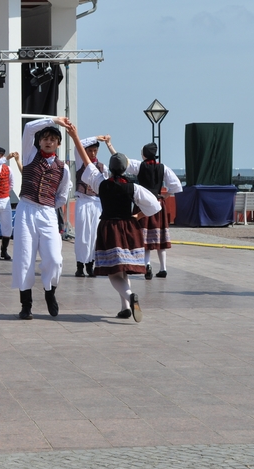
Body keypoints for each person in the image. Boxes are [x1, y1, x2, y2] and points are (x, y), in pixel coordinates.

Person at [68, 124, 161, 322]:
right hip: (129, 228)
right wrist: (137, 217)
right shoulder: (133, 187)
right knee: (123, 268)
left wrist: (75, 135)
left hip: (110, 227)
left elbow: (85, 160)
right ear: (125, 168)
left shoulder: (100, 183)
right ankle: (125, 307)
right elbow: (155, 205)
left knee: (114, 273)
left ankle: (129, 296)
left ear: (110, 168)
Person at [11, 116, 72, 319]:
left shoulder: (63, 169)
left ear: (58, 144)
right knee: (24, 257)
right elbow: (28, 127)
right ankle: (26, 304)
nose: (48, 141)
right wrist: (53, 120)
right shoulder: (29, 156)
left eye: (53, 139)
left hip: (47, 213)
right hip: (26, 209)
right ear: (39, 141)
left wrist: (47, 205)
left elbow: (63, 195)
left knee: (54, 258)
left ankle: (50, 291)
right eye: (45, 138)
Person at [124, 143, 183, 279]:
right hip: (158, 203)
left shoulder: (139, 166)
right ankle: (163, 268)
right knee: (159, 237)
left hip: (144, 203)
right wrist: (165, 196)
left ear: (144, 154)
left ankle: (147, 265)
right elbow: (176, 185)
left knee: (144, 237)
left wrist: (110, 145)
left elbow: (123, 161)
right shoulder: (163, 167)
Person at [74, 135, 115, 277]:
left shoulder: (103, 167)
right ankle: (80, 265)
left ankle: (90, 264)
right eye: (89, 150)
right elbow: (78, 143)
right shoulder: (81, 162)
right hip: (83, 201)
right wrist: (96, 137)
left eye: (94, 151)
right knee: (82, 235)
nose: (92, 153)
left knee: (94, 235)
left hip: (97, 203)